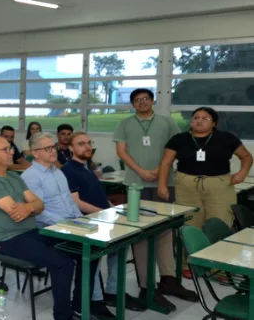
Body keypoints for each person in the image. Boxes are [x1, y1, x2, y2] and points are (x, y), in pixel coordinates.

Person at [0, 136, 99, 320]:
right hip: (8, 240)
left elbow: (38, 204)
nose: (12, 152)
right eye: (5, 150)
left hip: (31, 232)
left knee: (85, 250)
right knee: (63, 262)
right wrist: (30, 206)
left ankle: (80, 306)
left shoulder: (13, 177)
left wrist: (29, 207)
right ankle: (63, 316)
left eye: (10, 148)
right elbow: (15, 212)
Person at [114, 88, 195, 306]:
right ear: (132, 104)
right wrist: (141, 172)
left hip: (164, 183)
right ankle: (146, 285)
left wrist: (160, 170)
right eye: (137, 100)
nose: (142, 102)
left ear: (152, 101)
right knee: (140, 233)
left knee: (166, 231)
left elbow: (175, 149)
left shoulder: (167, 122)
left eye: (146, 99)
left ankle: (168, 279)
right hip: (135, 185)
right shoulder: (124, 124)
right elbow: (121, 152)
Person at [160, 108, 253, 271]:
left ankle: (218, 267)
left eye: (205, 118)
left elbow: (246, 157)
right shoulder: (179, 139)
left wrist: (242, 173)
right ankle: (186, 264)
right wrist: (162, 185)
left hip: (219, 186)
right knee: (189, 225)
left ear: (214, 122)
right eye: (196, 117)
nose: (199, 120)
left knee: (219, 223)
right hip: (186, 186)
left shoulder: (226, 138)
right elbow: (166, 163)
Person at [59, 132, 127, 318]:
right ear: (71, 148)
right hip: (87, 224)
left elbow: (100, 197)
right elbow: (76, 203)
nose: (87, 147)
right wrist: (105, 214)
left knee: (121, 246)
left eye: (89, 143)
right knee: (93, 260)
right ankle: (94, 300)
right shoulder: (68, 170)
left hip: (103, 218)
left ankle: (112, 292)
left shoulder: (88, 168)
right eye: (81, 144)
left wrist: (116, 210)